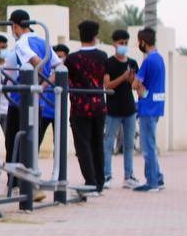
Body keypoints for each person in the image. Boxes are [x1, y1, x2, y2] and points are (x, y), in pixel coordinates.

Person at [2, 9, 56, 164]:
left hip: (20, 101)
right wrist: (42, 87)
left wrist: (37, 84)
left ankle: (16, 182)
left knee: (13, 142)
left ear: (15, 26)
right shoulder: (42, 42)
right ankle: (28, 178)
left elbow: (38, 63)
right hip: (37, 102)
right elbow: (59, 68)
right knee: (31, 141)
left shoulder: (21, 43)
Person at [64, 20, 109, 193]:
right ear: (95, 36)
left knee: (83, 146)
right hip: (99, 106)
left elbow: (61, 76)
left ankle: (89, 181)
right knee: (98, 144)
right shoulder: (103, 57)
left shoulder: (72, 59)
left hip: (80, 108)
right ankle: (99, 181)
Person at [104, 29, 140, 188]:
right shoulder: (109, 63)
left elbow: (135, 86)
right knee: (108, 142)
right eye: (121, 43)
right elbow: (107, 86)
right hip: (113, 110)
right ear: (114, 44)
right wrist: (122, 78)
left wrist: (131, 79)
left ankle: (129, 176)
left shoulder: (132, 63)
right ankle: (106, 175)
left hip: (130, 109)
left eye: (126, 43)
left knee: (129, 144)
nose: (123, 46)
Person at [132, 27, 166, 192]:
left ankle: (152, 182)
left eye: (139, 41)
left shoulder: (147, 61)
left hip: (147, 108)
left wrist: (135, 83)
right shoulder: (159, 59)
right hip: (157, 106)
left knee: (148, 147)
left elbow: (136, 84)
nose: (138, 44)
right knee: (151, 143)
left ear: (143, 42)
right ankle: (158, 177)